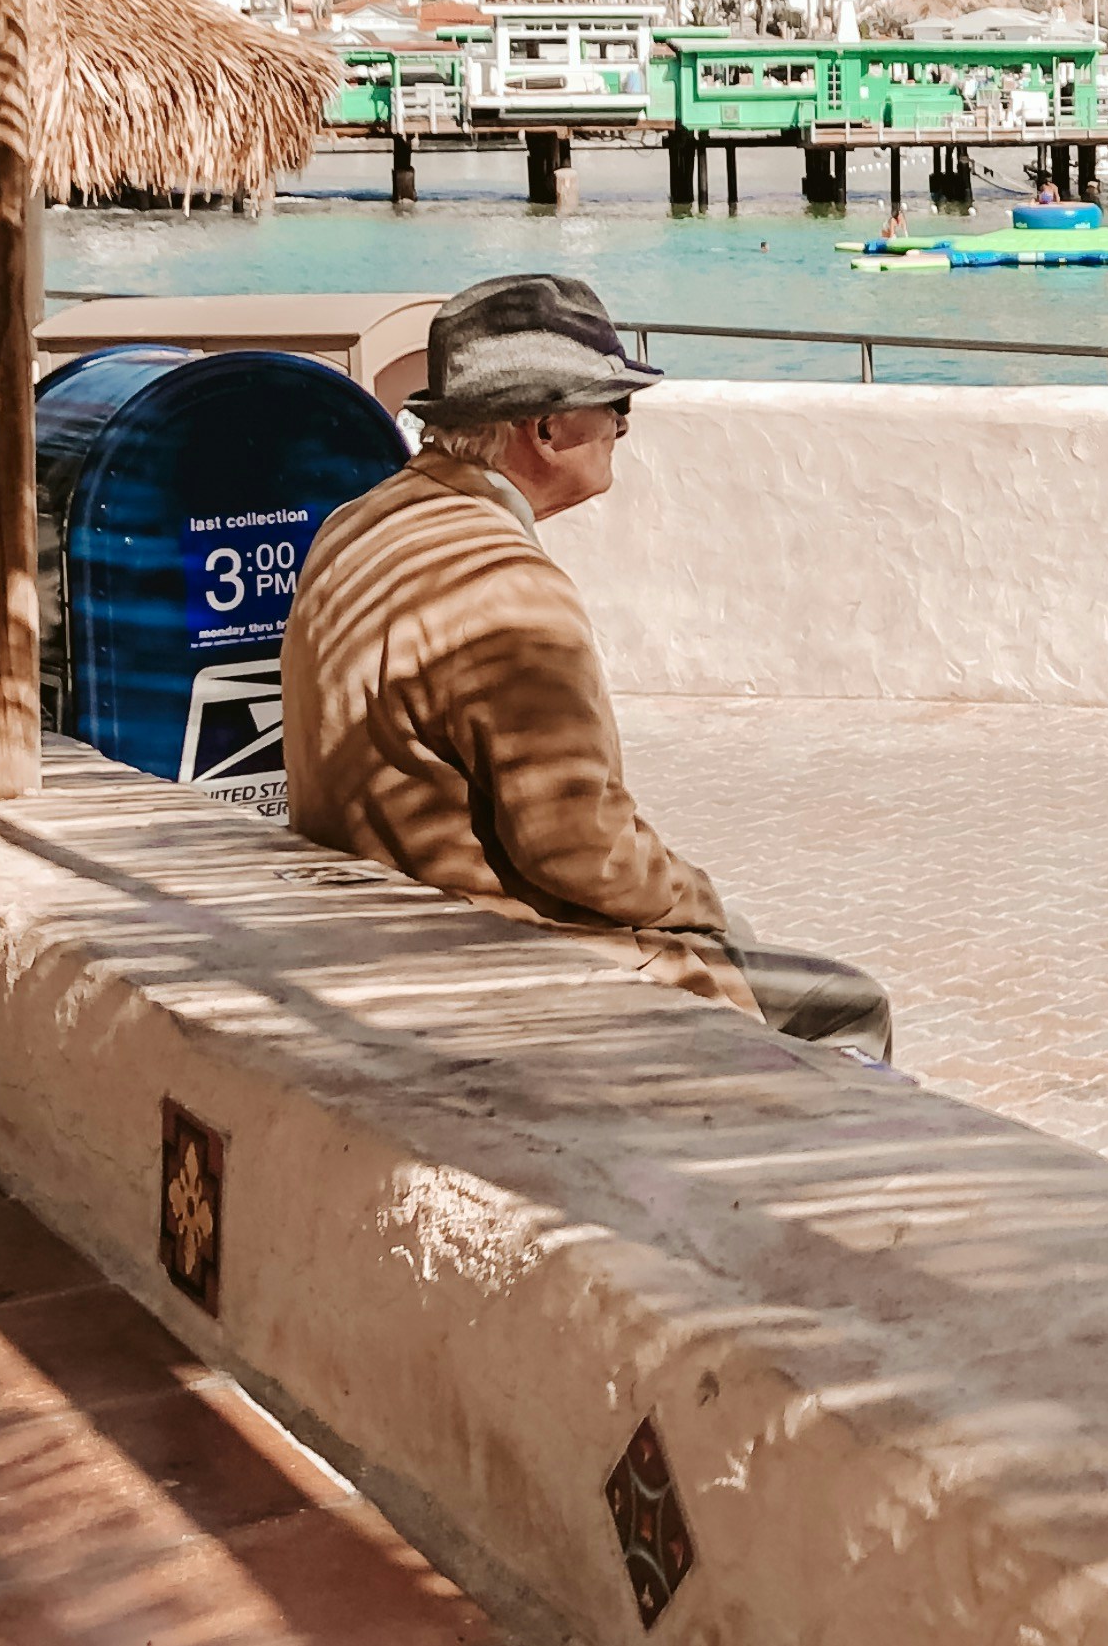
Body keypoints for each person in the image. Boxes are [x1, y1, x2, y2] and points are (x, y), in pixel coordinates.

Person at [283, 272, 892, 1061]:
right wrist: (698, 900)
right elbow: (575, 844)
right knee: (847, 1009)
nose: (622, 427)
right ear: (545, 429)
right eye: (615, 405)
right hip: (494, 961)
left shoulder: (356, 522)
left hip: (378, 929)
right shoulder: (503, 585)